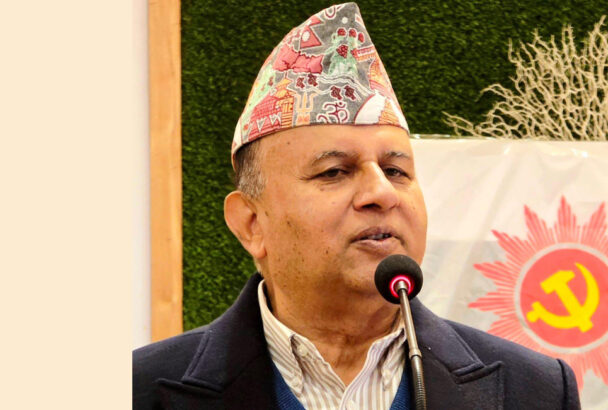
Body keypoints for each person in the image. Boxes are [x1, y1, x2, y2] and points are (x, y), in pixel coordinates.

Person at [133, 3, 580, 409]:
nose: (382, 193)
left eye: (396, 170)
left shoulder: (533, 391)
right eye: (334, 172)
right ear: (251, 223)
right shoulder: (139, 389)